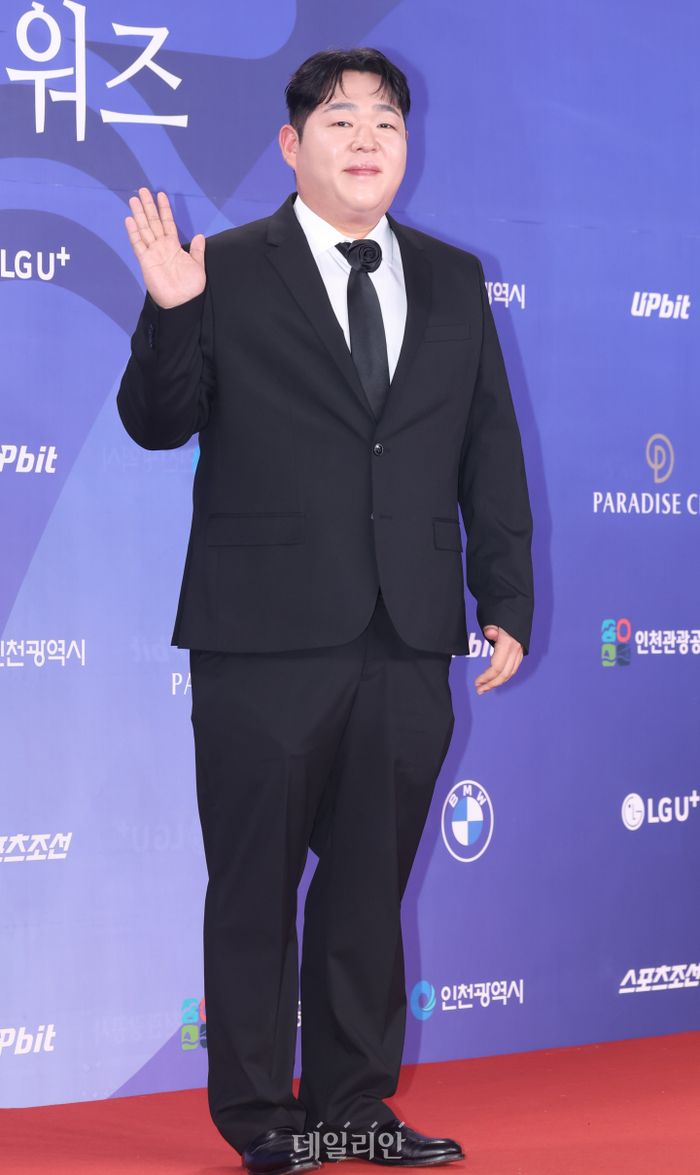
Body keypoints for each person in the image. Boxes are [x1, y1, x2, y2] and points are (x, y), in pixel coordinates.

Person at [117, 47, 533, 1175]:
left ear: (407, 147)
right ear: (291, 144)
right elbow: (157, 422)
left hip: (406, 632)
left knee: (365, 889)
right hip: (261, 634)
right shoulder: (223, 267)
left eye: (386, 122)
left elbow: (488, 448)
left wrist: (504, 595)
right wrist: (170, 312)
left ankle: (353, 1105)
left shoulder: (453, 278)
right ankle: (260, 1116)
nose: (366, 140)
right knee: (254, 886)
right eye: (340, 120)